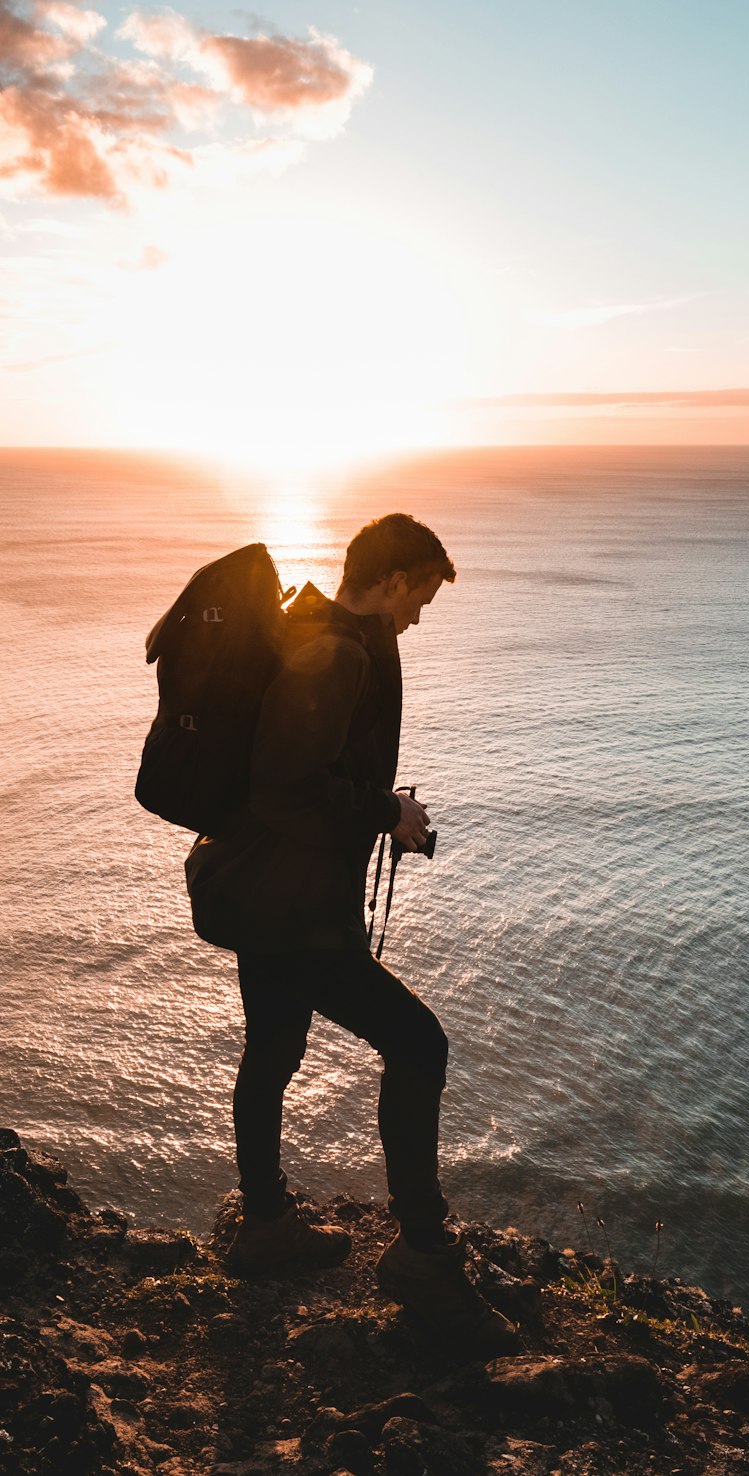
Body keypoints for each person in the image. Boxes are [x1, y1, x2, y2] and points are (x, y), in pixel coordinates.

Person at [185, 513, 513, 1340]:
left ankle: (265, 1227)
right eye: (421, 598)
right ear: (394, 580)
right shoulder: (335, 652)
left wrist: (380, 808)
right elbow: (284, 785)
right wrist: (387, 811)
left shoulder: (319, 630)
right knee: (417, 1044)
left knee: (273, 1051)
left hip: (262, 894)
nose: (419, 617)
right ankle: (422, 1259)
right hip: (292, 908)